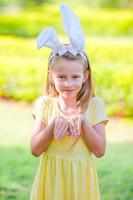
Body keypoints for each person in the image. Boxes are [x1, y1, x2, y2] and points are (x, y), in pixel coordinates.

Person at [30, 4, 108, 200]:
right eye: (61, 77)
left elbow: (99, 151)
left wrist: (82, 122)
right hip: (52, 180)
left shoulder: (95, 105)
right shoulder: (45, 105)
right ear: (51, 76)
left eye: (75, 76)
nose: (68, 83)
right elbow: (35, 149)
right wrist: (53, 125)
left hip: (81, 182)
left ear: (85, 76)